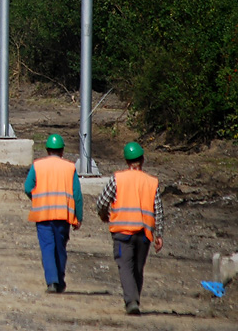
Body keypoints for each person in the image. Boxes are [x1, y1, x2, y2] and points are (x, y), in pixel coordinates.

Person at [96, 141, 164, 315]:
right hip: (144, 234)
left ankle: (131, 301)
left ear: (126, 161)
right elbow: (158, 210)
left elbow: (102, 202)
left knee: (125, 267)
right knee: (138, 268)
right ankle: (134, 299)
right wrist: (159, 235)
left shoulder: (118, 179)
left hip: (122, 232)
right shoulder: (151, 182)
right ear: (142, 160)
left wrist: (104, 214)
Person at [24, 134, 83, 294]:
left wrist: (36, 198)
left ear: (47, 150)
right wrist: (78, 216)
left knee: (47, 247)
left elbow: (28, 187)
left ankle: (52, 281)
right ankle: (60, 279)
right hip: (63, 215)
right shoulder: (70, 167)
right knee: (60, 248)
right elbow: (77, 194)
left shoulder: (38, 165)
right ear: (62, 151)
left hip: (43, 214)